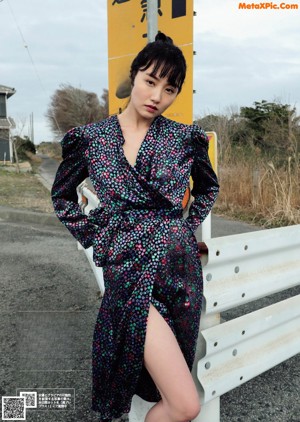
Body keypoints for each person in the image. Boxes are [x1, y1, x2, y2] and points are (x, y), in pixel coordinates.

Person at [51, 32, 219, 422]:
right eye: (150, 81)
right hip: (128, 272)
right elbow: (62, 196)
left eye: (170, 88)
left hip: (180, 276)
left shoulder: (184, 138)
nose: (157, 96)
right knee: (184, 404)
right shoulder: (91, 140)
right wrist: (97, 237)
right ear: (134, 76)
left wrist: (187, 227)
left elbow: (208, 188)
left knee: (171, 390)